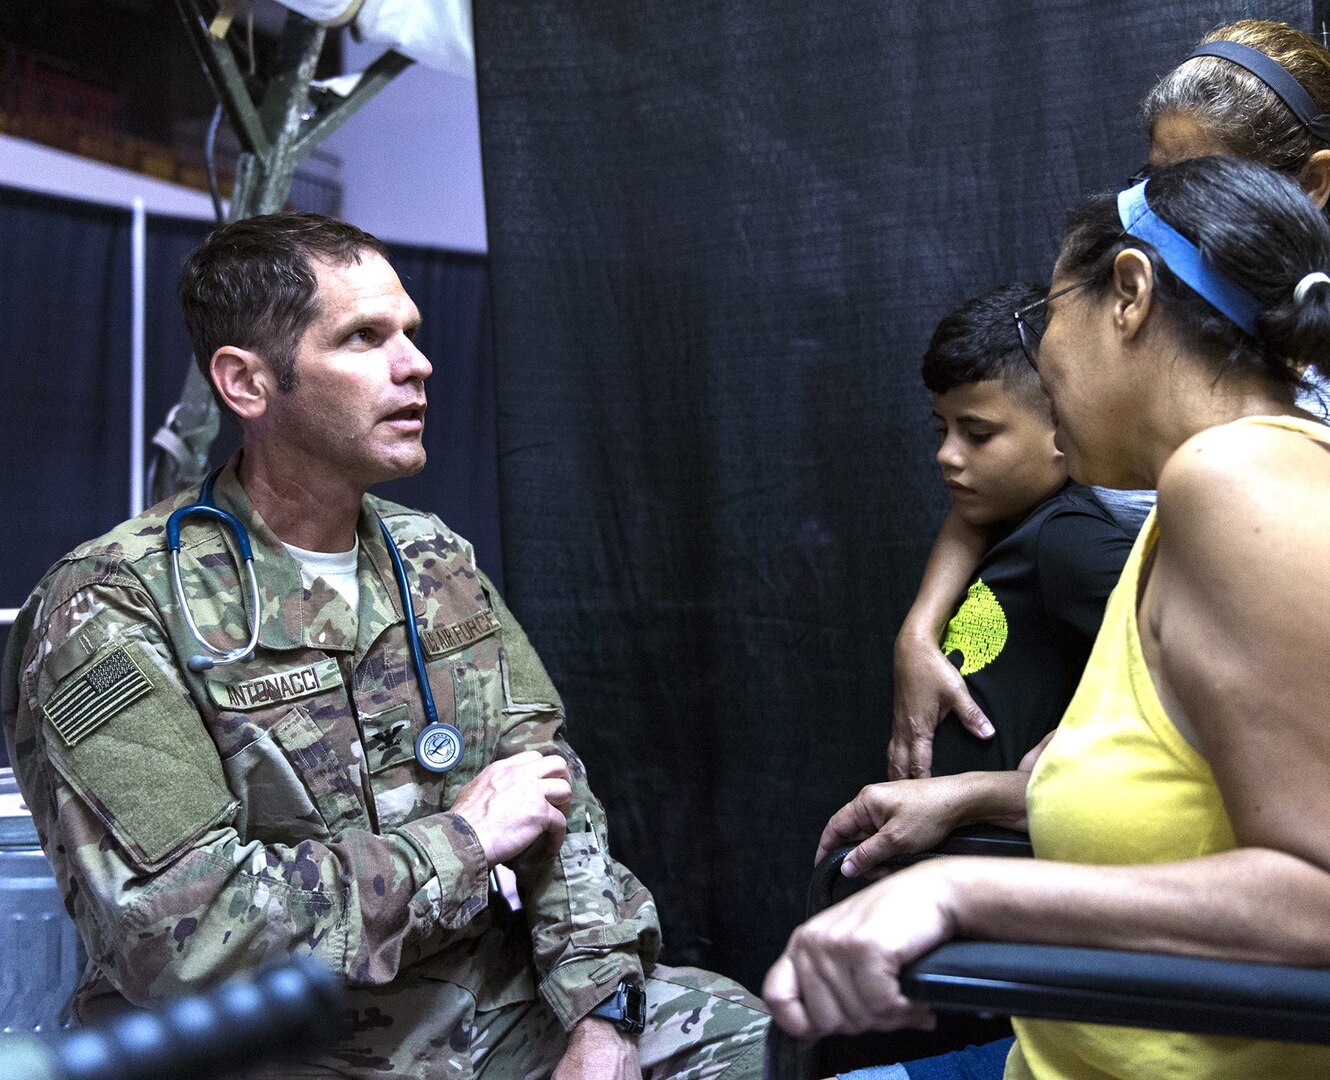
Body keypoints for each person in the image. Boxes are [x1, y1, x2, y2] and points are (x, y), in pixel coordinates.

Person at [0, 212, 767, 1079]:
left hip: (485, 1007)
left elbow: (555, 796)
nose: (416, 364)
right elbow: (182, 935)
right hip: (281, 1046)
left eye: (411, 333)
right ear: (247, 384)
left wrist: (602, 1017)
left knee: (736, 1033)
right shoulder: (112, 605)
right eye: (365, 337)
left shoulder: (432, 558)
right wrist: (463, 842)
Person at [766, 155, 1330, 1080]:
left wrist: (960, 891)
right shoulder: (1226, 489)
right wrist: (972, 798)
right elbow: (1184, 797)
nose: (1042, 356)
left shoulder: (1241, 488)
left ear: (1128, 293)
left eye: (1043, 315)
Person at [888, 18, 1330, 779]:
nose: (1171, 213)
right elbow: (1018, 452)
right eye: (1160, 180)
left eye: (1209, 182)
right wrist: (920, 632)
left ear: (1313, 183)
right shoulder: (1157, 312)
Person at [912, 282, 1130, 777]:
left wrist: (1085, 733)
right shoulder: (1002, 522)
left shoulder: (1070, 538)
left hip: (1013, 844)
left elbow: (1184, 655)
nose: (946, 454)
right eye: (941, 430)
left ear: (1062, 424)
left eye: (978, 434)